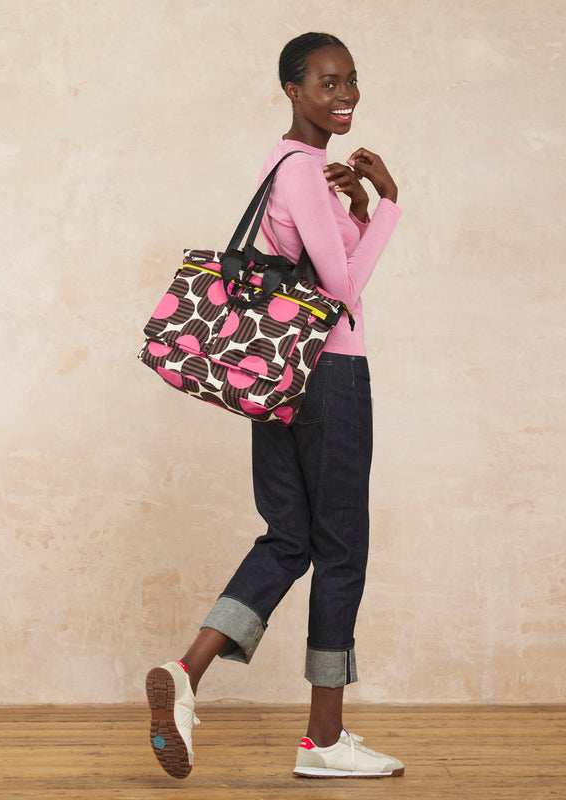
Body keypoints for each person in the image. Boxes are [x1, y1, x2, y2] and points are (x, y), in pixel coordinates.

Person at [146, 31, 404, 780]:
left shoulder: (287, 169)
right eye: (327, 83)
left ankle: (187, 673)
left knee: (289, 538)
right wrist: (388, 204)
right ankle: (324, 741)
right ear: (292, 90)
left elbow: (317, 265)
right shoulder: (303, 167)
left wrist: (349, 210)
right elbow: (343, 292)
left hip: (277, 377)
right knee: (342, 549)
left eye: (351, 80)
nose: (344, 95)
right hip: (328, 377)